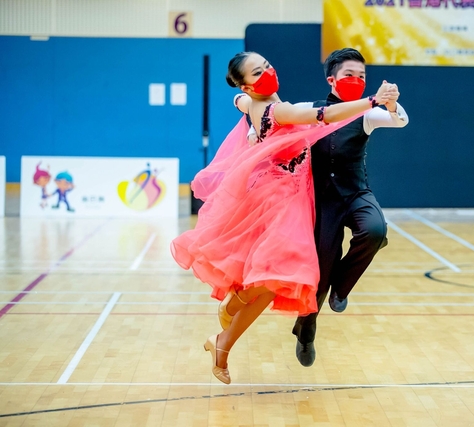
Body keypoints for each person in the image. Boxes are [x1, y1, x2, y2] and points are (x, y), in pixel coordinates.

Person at [170, 51, 398, 384]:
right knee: (274, 278)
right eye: (257, 72)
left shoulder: (253, 103)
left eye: (266, 66)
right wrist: (372, 101)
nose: (267, 72)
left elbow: (239, 103)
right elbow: (326, 114)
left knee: (271, 280)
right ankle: (227, 325)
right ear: (248, 85)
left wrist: (245, 111)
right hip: (283, 201)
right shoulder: (279, 110)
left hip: (281, 194)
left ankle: (225, 334)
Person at [292, 48, 409, 367]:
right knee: (318, 276)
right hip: (322, 201)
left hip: (356, 193)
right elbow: (276, 118)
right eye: (349, 75)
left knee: (375, 230)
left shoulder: (366, 114)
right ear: (331, 79)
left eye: (362, 76)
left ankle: (341, 288)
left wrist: (391, 103)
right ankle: (306, 331)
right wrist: (251, 122)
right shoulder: (310, 111)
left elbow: (400, 120)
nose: (356, 80)